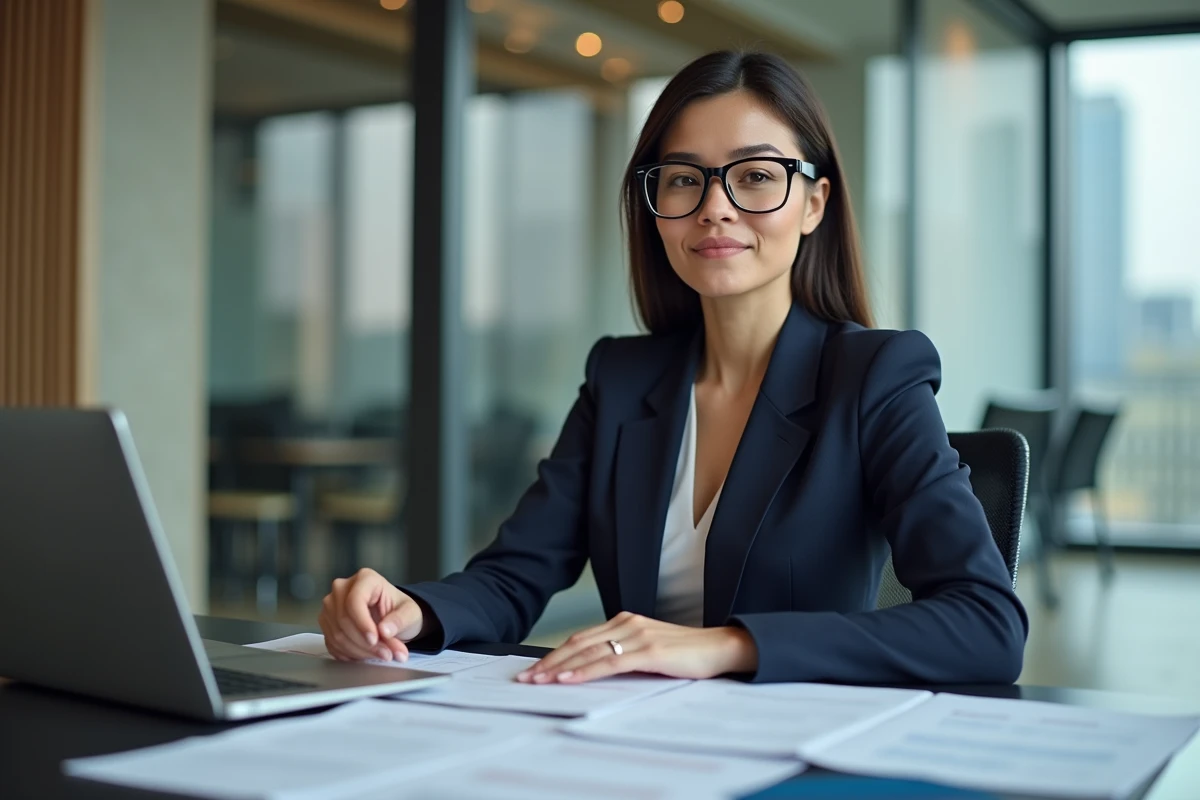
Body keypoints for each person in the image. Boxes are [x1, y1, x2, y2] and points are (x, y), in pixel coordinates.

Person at [318, 50, 1028, 686]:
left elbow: (986, 624)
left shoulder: (873, 376)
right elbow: (515, 575)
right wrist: (411, 611)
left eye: (755, 176)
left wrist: (723, 646)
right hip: (632, 743)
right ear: (654, 209)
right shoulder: (621, 379)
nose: (714, 209)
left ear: (814, 202)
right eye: (684, 179)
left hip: (791, 746)